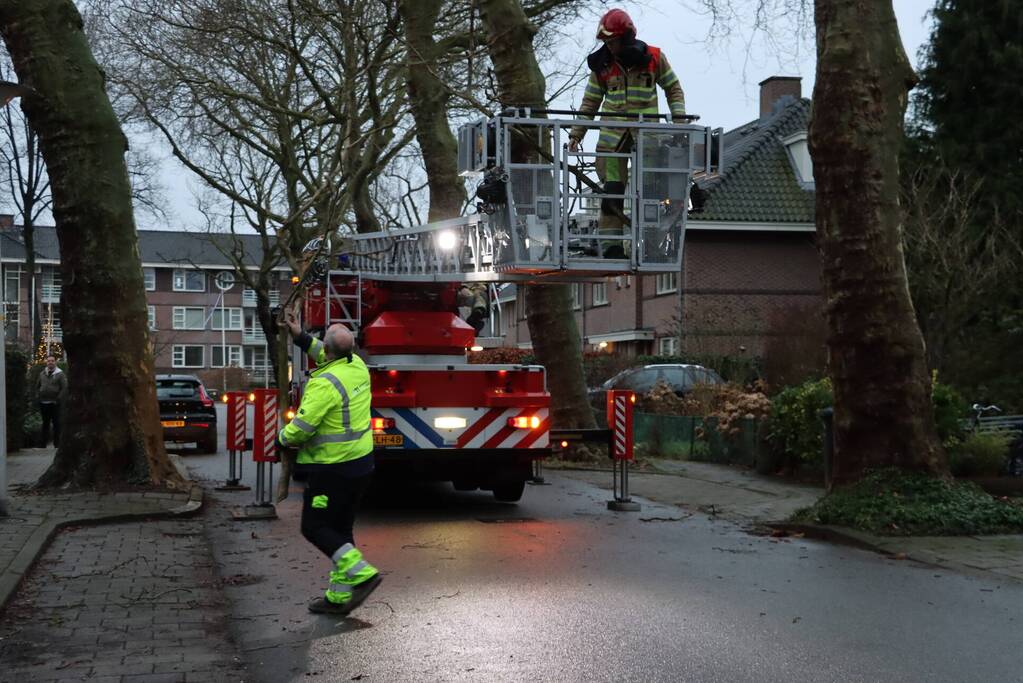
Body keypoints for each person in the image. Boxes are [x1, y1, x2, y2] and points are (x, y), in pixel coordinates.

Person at [279, 310, 381, 615]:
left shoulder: (324, 384)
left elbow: (303, 427)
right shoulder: (358, 365)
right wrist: (299, 336)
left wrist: (281, 438)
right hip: (360, 465)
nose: (320, 348)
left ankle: (362, 573)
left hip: (331, 469)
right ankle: (338, 598)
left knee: (314, 527)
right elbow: (322, 351)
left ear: (330, 351)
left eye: (323, 343)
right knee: (341, 532)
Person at [567, 8, 686, 257]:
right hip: (612, 142)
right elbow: (590, 102)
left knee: (651, 193)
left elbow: (673, 88)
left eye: (613, 41)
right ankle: (611, 247)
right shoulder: (602, 65)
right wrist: (576, 134)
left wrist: (679, 122)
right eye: (606, 42)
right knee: (612, 193)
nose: (610, 47)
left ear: (627, 37)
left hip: (648, 139)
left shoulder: (654, 58)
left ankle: (650, 246)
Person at [36, 354, 67, 448]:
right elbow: (37, 385)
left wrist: (59, 398)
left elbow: (64, 387)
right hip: (43, 402)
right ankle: (42, 444)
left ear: (55, 362)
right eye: (49, 361)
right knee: (45, 423)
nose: (50, 362)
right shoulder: (42, 373)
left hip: (55, 403)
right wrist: (38, 395)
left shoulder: (60, 374)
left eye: (52, 361)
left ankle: (57, 443)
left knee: (56, 423)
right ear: (46, 362)